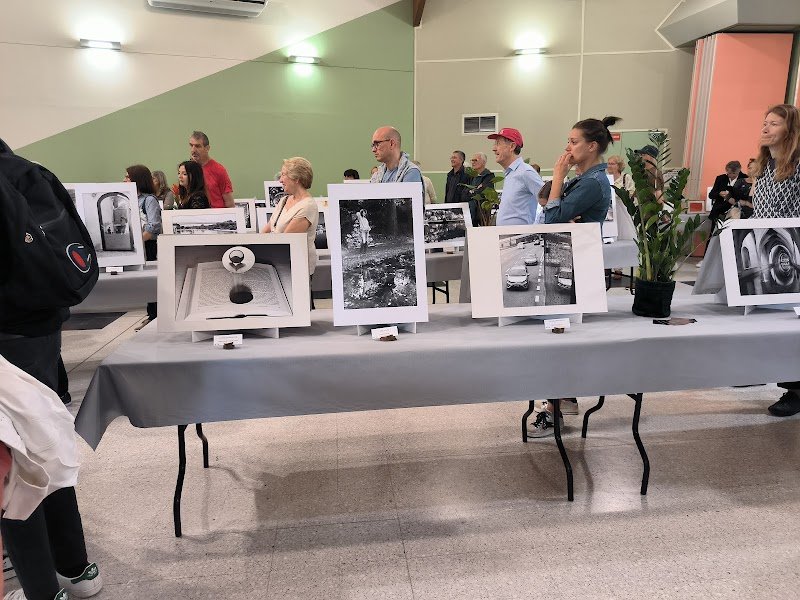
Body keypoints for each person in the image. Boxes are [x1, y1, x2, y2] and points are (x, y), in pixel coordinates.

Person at [528, 116, 622, 437]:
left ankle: (556, 407)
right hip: (566, 260)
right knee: (556, 334)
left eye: (573, 141)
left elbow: (552, 217)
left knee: (559, 336)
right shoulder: (585, 178)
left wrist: (557, 177)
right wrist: (562, 202)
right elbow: (550, 208)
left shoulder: (594, 182)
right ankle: (560, 400)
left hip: (576, 265)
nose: (567, 147)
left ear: (592, 146)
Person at [0, 357, 103, 600]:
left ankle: (42, 592)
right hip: (37, 334)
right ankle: (76, 569)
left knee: (16, 475)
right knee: (41, 436)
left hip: (12, 332)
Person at [749, 104, 800, 417]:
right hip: (765, 248)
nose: (765, 129)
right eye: (764, 122)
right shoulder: (764, 167)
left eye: (774, 124)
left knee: (792, 326)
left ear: (790, 130)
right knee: (766, 317)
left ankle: (795, 389)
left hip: (794, 252)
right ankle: (763, 371)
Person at [261, 157, 320, 296]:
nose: (280, 180)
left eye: (283, 174)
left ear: (296, 178)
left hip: (296, 266)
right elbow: (270, 225)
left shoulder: (308, 206)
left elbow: (286, 240)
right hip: (280, 261)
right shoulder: (284, 200)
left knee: (298, 307)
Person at [125, 165, 161, 322]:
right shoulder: (130, 198)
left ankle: (155, 315)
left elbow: (154, 226)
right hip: (138, 245)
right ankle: (151, 314)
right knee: (145, 283)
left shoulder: (149, 200)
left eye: (127, 177)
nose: (124, 180)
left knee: (152, 281)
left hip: (148, 245)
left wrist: (137, 241)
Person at [487, 127, 543, 225]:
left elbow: (549, 202)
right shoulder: (511, 173)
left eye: (498, 143)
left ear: (512, 146)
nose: (493, 148)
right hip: (507, 237)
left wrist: (538, 228)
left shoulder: (526, 172)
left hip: (520, 238)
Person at [606, 154, 636, 278]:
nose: (609, 166)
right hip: (609, 211)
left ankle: (619, 268)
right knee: (609, 238)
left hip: (622, 211)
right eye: (608, 163)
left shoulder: (625, 178)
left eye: (612, 163)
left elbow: (631, 192)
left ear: (619, 165)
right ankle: (607, 266)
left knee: (623, 238)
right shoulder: (606, 178)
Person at [188, 131, 233, 208]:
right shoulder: (188, 169)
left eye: (198, 146)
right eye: (191, 145)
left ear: (207, 148)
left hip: (217, 217)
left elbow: (230, 203)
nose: (193, 150)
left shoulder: (219, 170)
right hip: (194, 216)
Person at [369, 127, 423, 191]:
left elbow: (406, 200)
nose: (373, 150)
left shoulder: (411, 172)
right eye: (373, 145)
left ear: (392, 144)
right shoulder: (377, 175)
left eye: (377, 144)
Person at [466, 152, 494, 225]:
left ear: (483, 162)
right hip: (471, 213)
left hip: (482, 215)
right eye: (472, 160)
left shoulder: (489, 176)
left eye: (475, 160)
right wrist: (474, 190)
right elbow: (464, 194)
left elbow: (483, 193)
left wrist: (471, 191)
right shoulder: (471, 176)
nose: (473, 162)